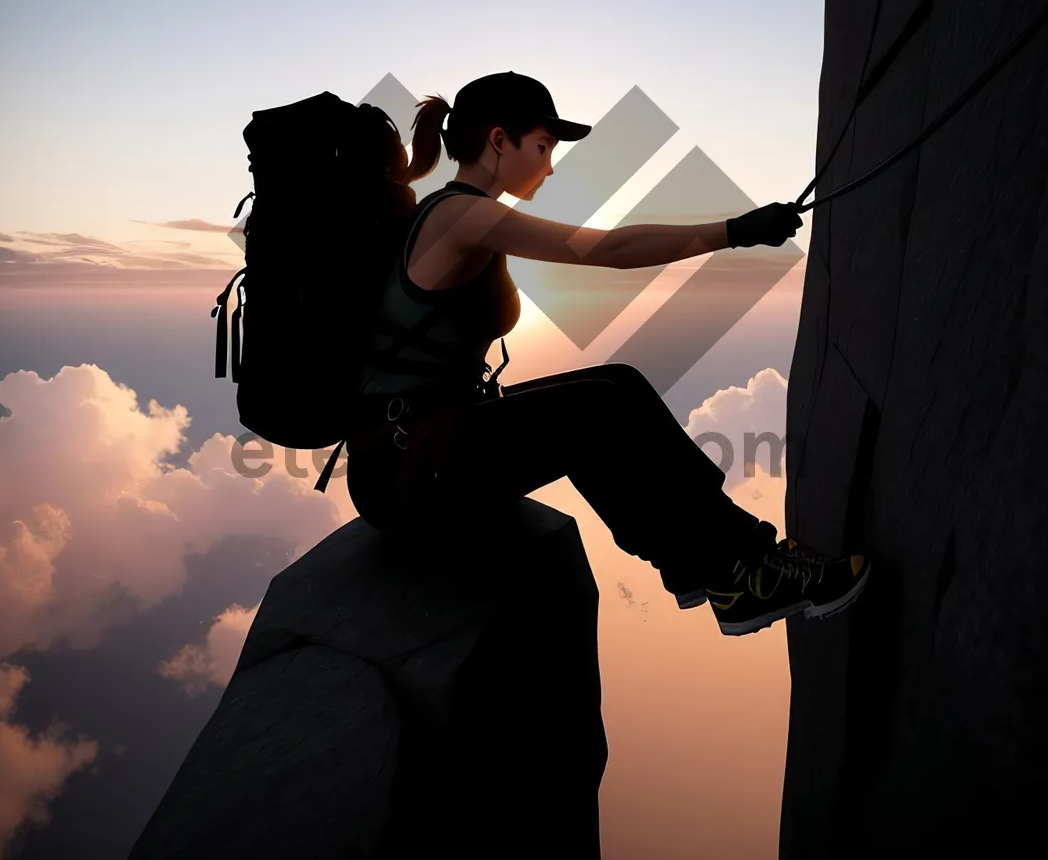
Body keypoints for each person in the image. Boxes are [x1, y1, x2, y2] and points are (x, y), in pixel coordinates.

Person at [345, 71, 869, 635]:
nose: (549, 165)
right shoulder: (460, 216)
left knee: (618, 385)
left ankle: (730, 564)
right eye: (543, 147)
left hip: (424, 448)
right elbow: (609, 250)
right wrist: (734, 230)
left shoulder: (454, 213)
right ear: (499, 141)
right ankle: (740, 574)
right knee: (597, 412)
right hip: (408, 470)